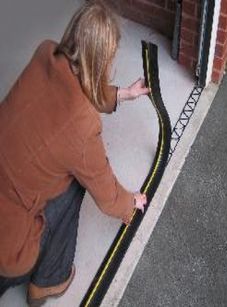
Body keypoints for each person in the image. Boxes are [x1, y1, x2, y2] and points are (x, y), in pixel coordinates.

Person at [0, 0, 149, 305]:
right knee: (74, 182)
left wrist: (123, 94)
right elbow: (106, 192)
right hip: (8, 247)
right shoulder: (82, 126)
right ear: (104, 60)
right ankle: (48, 280)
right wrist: (130, 202)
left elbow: (76, 84)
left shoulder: (45, 52)